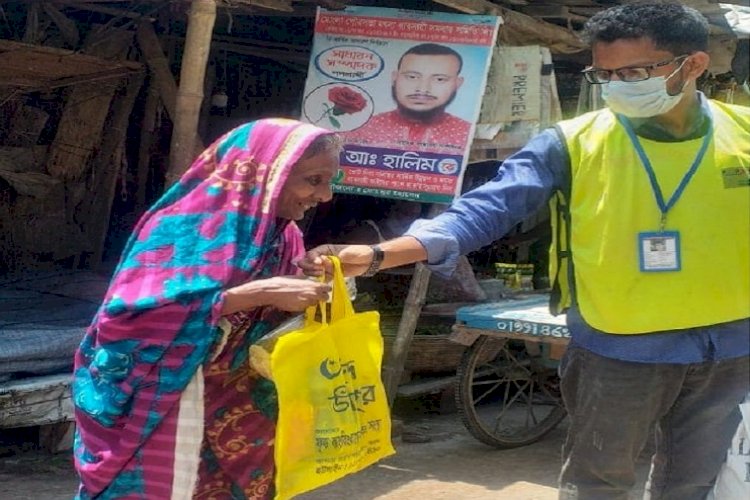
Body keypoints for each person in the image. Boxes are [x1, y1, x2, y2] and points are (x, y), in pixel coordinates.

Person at [300, 3, 750, 499]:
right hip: (619, 348)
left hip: (729, 346)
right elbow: (486, 209)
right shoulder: (571, 142)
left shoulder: (743, 133)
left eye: (637, 71)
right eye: (607, 73)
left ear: (694, 64)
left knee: (693, 481)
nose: (619, 84)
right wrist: (382, 254)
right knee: (599, 482)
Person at [72, 119, 339, 499]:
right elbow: (125, 321)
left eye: (330, 181)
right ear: (266, 174)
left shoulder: (284, 237)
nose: (325, 195)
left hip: (242, 417)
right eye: (313, 180)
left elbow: (280, 327)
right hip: (173, 411)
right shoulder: (183, 230)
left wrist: (319, 289)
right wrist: (251, 295)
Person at [345, 43, 471, 154]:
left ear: (457, 84)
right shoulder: (363, 128)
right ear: (395, 78)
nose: (422, 89)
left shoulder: (466, 133)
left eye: (439, 79)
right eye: (412, 77)